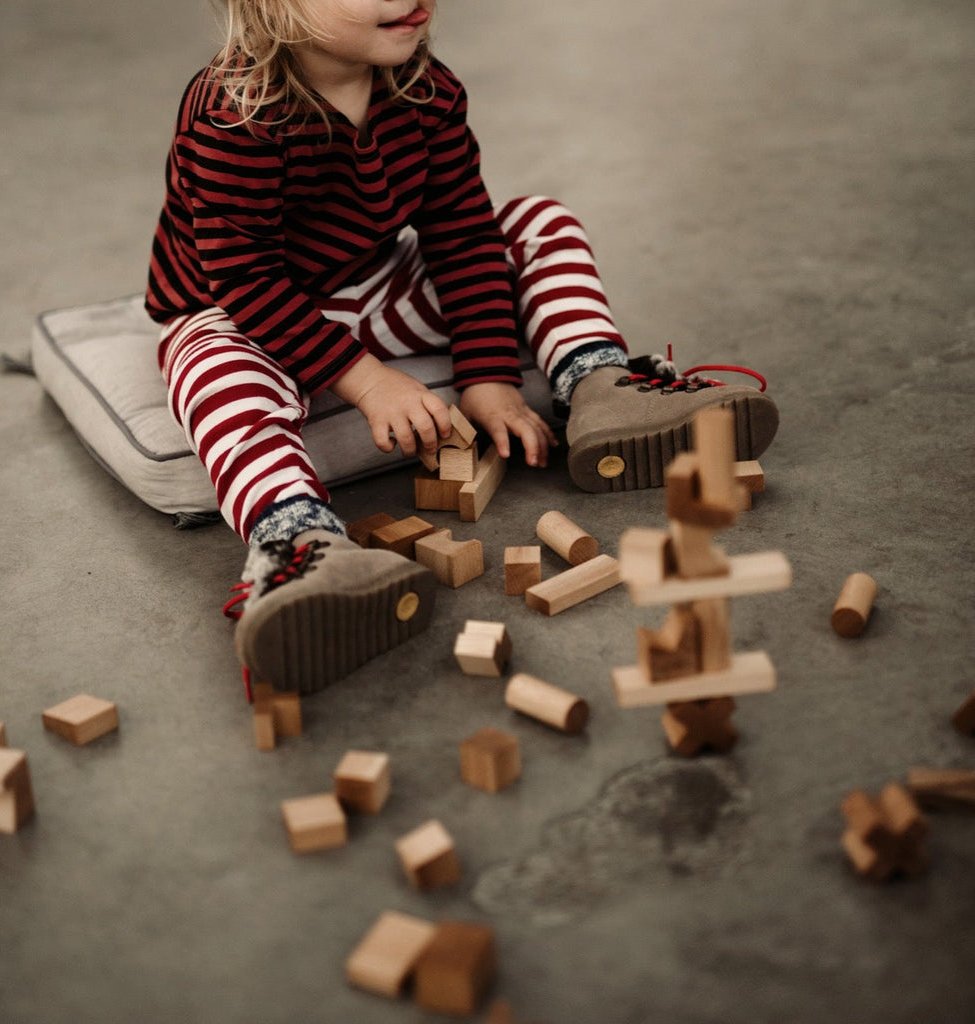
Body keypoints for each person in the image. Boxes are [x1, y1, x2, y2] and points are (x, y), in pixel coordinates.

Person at [145, 0, 778, 696]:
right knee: (207, 363)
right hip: (245, 314)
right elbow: (246, 278)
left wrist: (487, 373)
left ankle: (597, 384)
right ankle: (300, 541)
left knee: (537, 220)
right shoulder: (235, 114)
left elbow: (461, 232)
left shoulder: (424, 87)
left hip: (378, 287)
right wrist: (366, 382)